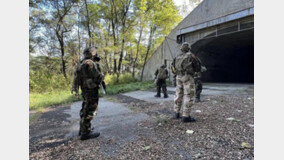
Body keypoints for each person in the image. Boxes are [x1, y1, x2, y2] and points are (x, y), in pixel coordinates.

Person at [72, 47, 103, 140]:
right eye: (95, 53)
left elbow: (76, 79)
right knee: (90, 110)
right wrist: (101, 77)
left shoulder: (81, 64)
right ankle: (86, 133)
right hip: (91, 90)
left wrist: (76, 89)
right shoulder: (90, 63)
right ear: (92, 54)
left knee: (84, 108)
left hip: (85, 90)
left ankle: (83, 129)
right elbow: (98, 77)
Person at [172, 42, 201, 123]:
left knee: (178, 94)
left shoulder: (177, 56)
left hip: (178, 77)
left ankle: (176, 113)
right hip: (188, 77)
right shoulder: (191, 56)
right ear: (189, 48)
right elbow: (198, 67)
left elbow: (172, 67)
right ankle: (186, 116)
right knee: (189, 96)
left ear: (181, 48)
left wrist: (177, 74)